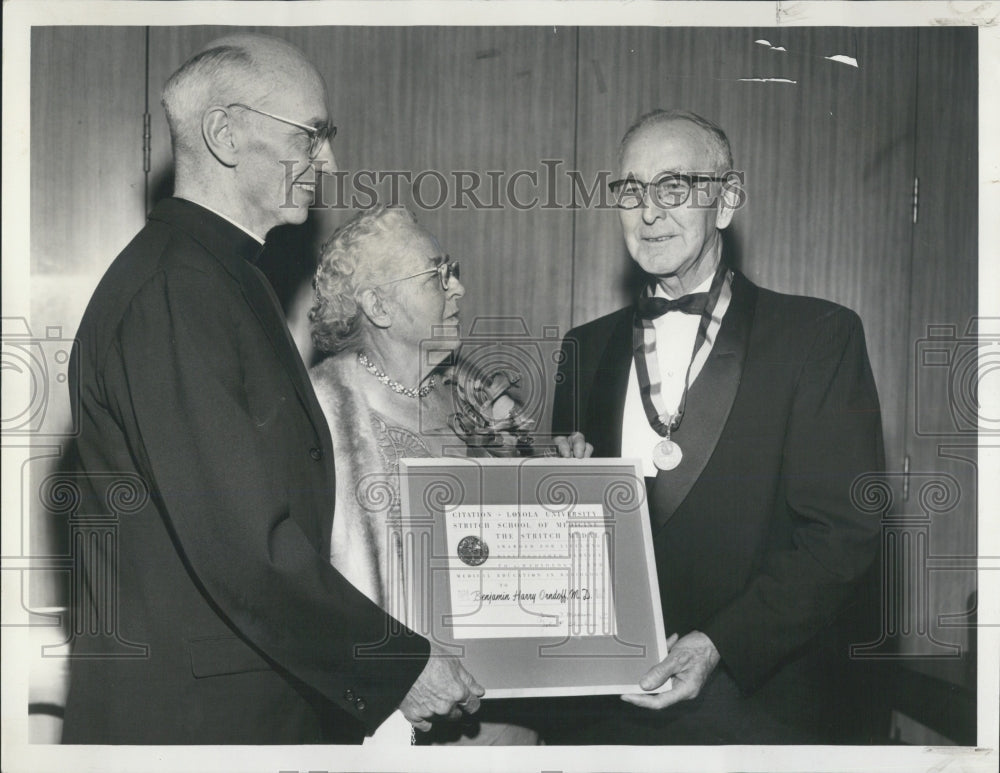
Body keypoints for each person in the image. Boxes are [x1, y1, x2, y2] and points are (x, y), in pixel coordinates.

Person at [62, 34, 482, 744]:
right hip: (198, 727)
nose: (329, 162)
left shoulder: (218, 278)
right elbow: (246, 548)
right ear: (226, 133)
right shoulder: (176, 291)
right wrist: (398, 663)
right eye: (312, 136)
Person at [549, 109, 885, 744]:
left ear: (726, 201)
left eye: (674, 186)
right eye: (630, 190)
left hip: (755, 711)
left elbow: (843, 534)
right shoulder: (582, 349)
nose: (649, 213)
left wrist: (719, 644)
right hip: (604, 716)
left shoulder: (818, 337)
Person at [308, 204, 592, 745]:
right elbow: (297, 586)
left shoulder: (481, 399)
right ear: (378, 304)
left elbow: (516, 560)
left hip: (501, 713)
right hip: (386, 719)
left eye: (452, 269)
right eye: (437, 274)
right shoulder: (321, 410)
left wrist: (564, 487)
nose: (458, 287)